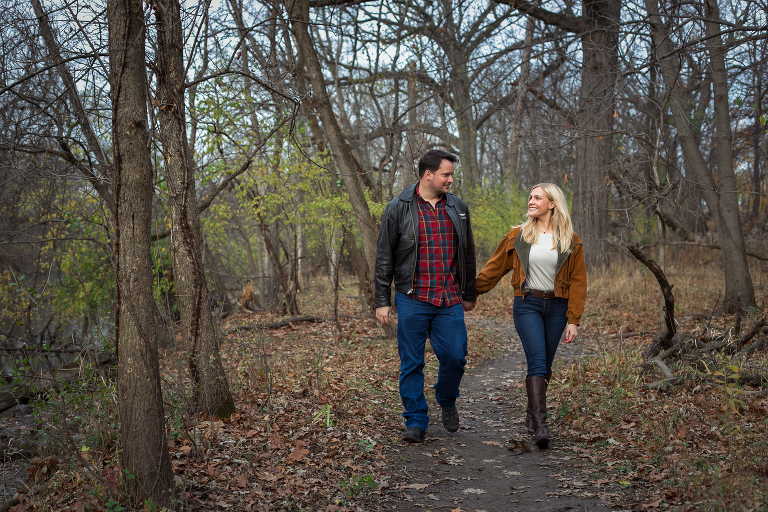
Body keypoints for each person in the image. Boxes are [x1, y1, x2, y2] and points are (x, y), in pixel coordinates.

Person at [374, 149, 477, 444]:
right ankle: (416, 421)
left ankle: (446, 398)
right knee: (411, 363)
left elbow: (468, 253)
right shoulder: (398, 207)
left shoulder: (457, 207)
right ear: (428, 174)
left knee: (455, 357)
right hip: (412, 297)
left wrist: (469, 291)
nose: (451, 180)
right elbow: (384, 257)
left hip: (449, 298)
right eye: (446, 174)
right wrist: (382, 301)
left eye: (451, 174)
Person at [475, 183, 586, 449]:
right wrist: (470, 292)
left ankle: (532, 414)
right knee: (537, 362)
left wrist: (573, 319)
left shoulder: (570, 239)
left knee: (545, 366)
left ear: (552, 203)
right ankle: (541, 426)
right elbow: (493, 269)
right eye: (530, 197)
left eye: (537, 198)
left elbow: (578, 281)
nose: (531, 201)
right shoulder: (518, 236)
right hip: (527, 305)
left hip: (557, 307)